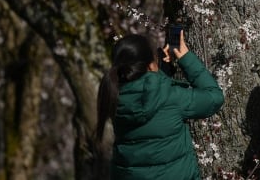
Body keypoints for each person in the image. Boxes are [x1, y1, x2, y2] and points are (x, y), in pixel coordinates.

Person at [95, 31, 224, 180]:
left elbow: (147, 95)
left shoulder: (112, 96)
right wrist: (185, 58)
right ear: (150, 64)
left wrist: (161, 72)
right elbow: (215, 97)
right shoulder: (172, 97)